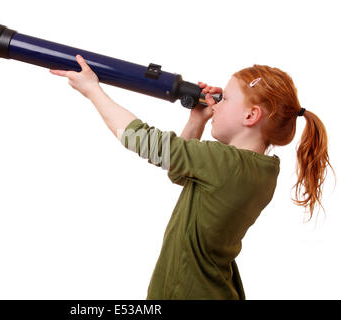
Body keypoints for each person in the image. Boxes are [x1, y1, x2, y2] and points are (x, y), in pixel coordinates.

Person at [49, 55, 335, 299]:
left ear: (250, 116)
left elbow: (143, 141)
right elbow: (179, 173)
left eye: (225, 99)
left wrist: (93, 91)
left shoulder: (226, 163)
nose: (216, 104)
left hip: (189, 290)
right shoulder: (260, 169)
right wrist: (197, 120)